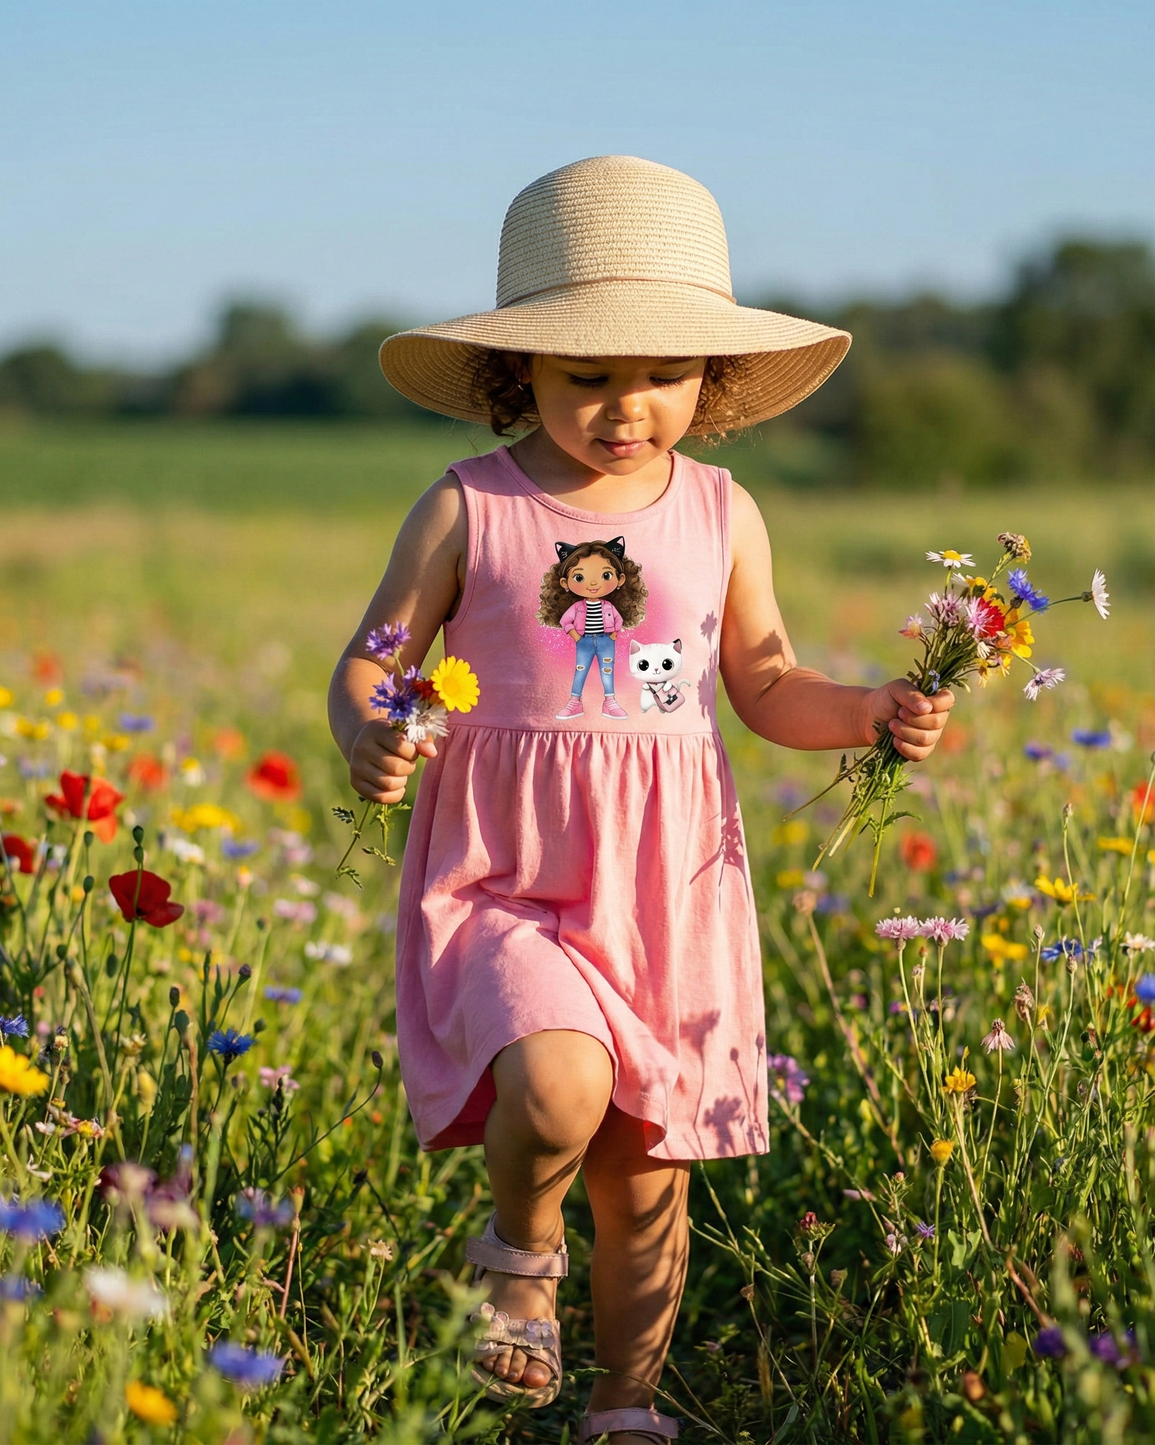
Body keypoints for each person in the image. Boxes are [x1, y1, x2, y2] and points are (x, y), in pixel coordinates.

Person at [328, 156, 955, 1445]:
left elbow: (768, 681)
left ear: (709, 380)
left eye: (662, 375)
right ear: (523, 375)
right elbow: (376, 654)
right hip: (505, 878)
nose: (628, 409)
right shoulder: (469, 505)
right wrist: (368, 734)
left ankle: (626, 1409)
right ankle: (516, 1255)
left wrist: (874, 714)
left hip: (664, 889)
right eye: (588, 378)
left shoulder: (723, 512)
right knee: (554, 1089)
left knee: (645, 1176)